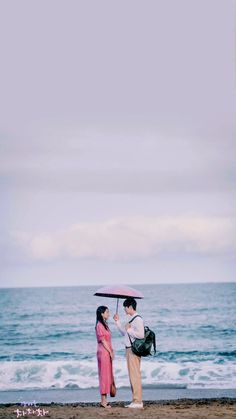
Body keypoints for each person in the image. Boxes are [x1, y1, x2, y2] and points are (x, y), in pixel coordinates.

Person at [113, 297, 144, 409]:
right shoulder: (131, 319)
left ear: (130, 307)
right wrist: (117, 321)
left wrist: (129, 330)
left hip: (133, 350)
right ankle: (135, 400)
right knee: (132, 375)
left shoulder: (138, 319)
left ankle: (138, 402)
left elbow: (141, 335)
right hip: (129, 349)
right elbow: (124, 332)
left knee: (135, 375)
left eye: (125, 308)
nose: (124, 310)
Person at [95, 306, 115, 408]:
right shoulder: (99, 325)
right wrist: (110, 351)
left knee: (107, 376)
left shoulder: (105, 325)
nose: (109, 314)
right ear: (102, 313)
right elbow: (103, 340)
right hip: (103, 352)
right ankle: (103, 401)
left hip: (106, 352)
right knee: (103, 376)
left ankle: (105, 400)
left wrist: (112, 350)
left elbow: (108, 340)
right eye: (107, 312)